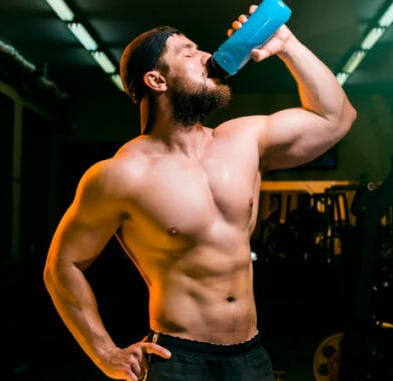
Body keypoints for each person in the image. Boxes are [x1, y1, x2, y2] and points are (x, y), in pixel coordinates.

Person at [43, 3, 357, 380]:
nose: (208, 56)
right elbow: (62, 266)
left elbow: (336, 118)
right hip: (179, 360)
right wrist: (104, 353)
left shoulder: (244, 140)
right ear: (156, 81)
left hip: (251, 356)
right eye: (188, 53)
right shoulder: (120, 175)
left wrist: (287, 44)